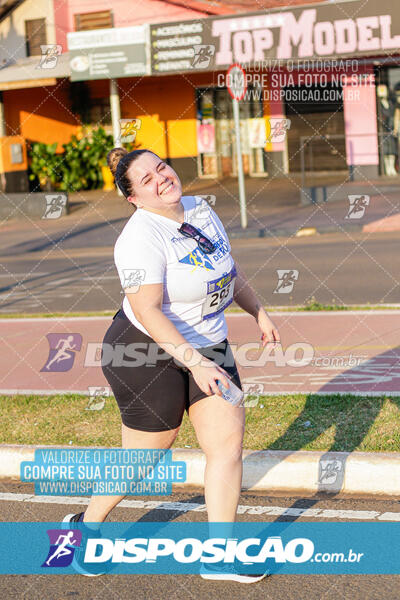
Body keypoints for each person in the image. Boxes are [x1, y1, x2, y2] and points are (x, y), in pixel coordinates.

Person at [63, 148, 281, 583]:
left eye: (161, 167)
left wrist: (258, 310)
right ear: (133, 198)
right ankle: (84, 528)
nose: (161, 178)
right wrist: (195, 362)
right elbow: (149, 311)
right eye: (146, 179)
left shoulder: (200, 209)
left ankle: (219, 556)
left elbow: (226, 269)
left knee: (226, 446)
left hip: (209, 345)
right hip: (143, 349)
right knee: (145, 456)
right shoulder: (138, 238)